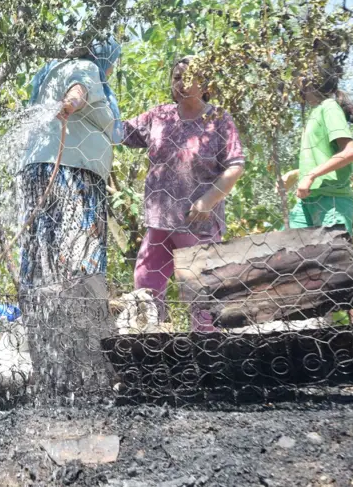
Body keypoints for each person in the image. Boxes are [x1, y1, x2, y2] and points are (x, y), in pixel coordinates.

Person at [122, 56, 245, 331]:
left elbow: (236, 165)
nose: (182, 82)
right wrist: (95, 104)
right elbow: (121, 131)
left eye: (189, 76)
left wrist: (208, 201)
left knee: (201, 297)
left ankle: (206, 362)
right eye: (176, 77)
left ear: (205, 84)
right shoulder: (159, 116)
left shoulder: (219, 119)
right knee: (145, 287)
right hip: (160, 223)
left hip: (197, 223)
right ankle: (153, 352)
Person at [19, 38, 122, 286]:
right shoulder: (87, 66)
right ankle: (82, 313)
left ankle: (39, 311)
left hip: (38, 168)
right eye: (113, 62)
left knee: (43, 247)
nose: (111, 69)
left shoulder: (51, 71)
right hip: (73, 171)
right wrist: (70, 103)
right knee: (80, 248)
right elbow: (79, 88)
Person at [280, 56, 353, 235]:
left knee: (333, 259)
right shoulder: (316, 111)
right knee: (283, 251)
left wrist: (311, 175)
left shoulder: (329, 107)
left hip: (332, 202)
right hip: (308, 200)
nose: (296, 84)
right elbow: (326, 157)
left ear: (310, 80)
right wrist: (297, 174)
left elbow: (349, 152)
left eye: (299, 77)